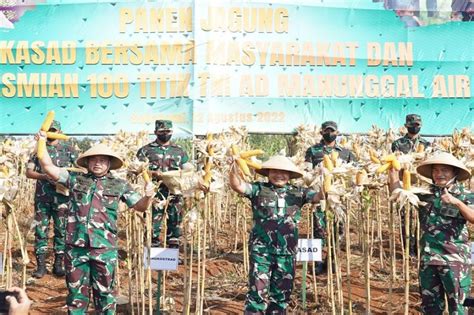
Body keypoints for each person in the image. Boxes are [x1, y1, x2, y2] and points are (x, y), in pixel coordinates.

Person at [34, 130, 155, 314]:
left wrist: (148, 196)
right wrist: (41, 142)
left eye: (102, 160)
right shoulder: (75, 179)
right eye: (93, 159)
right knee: (76, 297)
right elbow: (47, 165)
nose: (97, 163)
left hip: (104, 248)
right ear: (88, 162)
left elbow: (140, 207)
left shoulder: (119, 184)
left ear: (109, 164)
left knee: (105, 296)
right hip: (75, 247)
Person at [230, 155, 324, 314]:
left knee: (281, 295)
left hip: (287, 253)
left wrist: (325, 178)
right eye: (275, 171)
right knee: (257, 293)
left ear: (290, 175)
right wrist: (233, 167)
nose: (279, 175)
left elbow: (319, 197)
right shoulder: (258, 189)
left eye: (284, 172)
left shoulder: (298, 193)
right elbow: (237, 186)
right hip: (261, 251)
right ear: (268, 173)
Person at [388, 152, 474, 314]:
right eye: (435, 170)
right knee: (430, 307)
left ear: (454, 172)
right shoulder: (425, 194)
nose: (439, 174)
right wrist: (393, 176)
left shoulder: (465, 195)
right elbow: (399, 193)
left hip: (454, 260)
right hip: (428, 260)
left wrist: (457, 203)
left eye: (444, 170)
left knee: (458, 307)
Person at [25, 120, 79, 278]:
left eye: (53, 130)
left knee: (61, 231)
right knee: (41, 230)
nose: (50, 133)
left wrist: (64, 179)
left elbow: (79, 170)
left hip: (62, 198)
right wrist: (44, 176)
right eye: (48, 130)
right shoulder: (37, 150)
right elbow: (28, 173)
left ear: (59, 131)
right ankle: (41, 266)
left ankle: (58, 264)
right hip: (42, 197)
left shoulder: (69, 150)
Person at [304, 121, 355, 273]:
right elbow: (306, 171)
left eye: (332, 131)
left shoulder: (347, 153)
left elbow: (353, 172)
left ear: (337, 133)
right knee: (318, 229)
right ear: (321, 132)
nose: (330, 133)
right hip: (319, 195)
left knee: (338, 229)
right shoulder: (312, 151)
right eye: (327, 131)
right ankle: (317, 262)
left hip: (338, 197)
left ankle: (332, 260)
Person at [136, 120, 193, 248]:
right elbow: (137, 169)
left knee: (175, 221)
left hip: (174, 192)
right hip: (155, 192)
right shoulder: (145, 150)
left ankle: (172, 255)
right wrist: (152, 173)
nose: (165, 134)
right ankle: (152, 253)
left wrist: (181, 174)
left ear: (172, 132)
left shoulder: (179, 151)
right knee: (152, 222)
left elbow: (187, 169)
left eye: (168, 131)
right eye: (162, 131)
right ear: (155, 132)